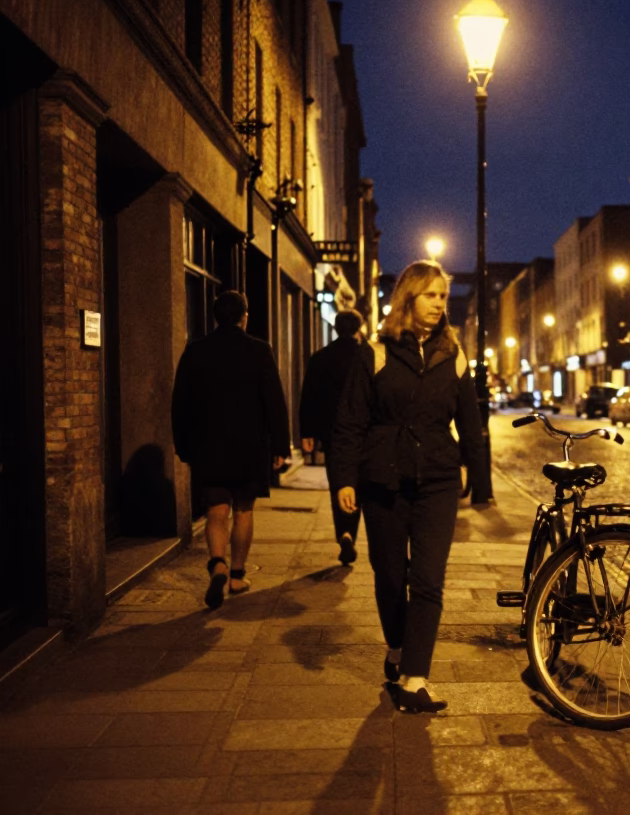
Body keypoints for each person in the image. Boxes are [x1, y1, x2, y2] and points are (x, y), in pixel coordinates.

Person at [329, 260, 484, 713]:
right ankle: (397, 647)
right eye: (431, 295)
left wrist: (478, 476)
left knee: (428, 579)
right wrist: (344, 479)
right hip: (384, 479)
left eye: (443, 296)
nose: (439, 304)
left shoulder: (453, 354)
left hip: (437, 478)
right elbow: (350, 422)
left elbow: (469, 422)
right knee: (390, 576)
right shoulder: (375, 352)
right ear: (408, 297)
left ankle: (415, 676)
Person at [172, 290, 291, 610]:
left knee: (216, 510)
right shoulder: (259, 350)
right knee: (243, 510)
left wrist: (183, 445)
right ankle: (237, 575)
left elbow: (180, 402)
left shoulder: (196, 351)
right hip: (250, 445)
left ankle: (217, 564)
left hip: (209, 445)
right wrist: (281, 444)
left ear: (215, 317)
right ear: (244, 316)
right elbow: (274, 401)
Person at [299, 309, 374, 565]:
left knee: (339, 481)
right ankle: (351, 531)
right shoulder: (366, 355)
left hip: (332, 432)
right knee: (360, 481)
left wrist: (307, 432)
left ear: (335, 326)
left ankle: (344, 531)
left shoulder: (321, 357)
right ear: (359, 326)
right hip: (364, 430)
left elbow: (308, 395)